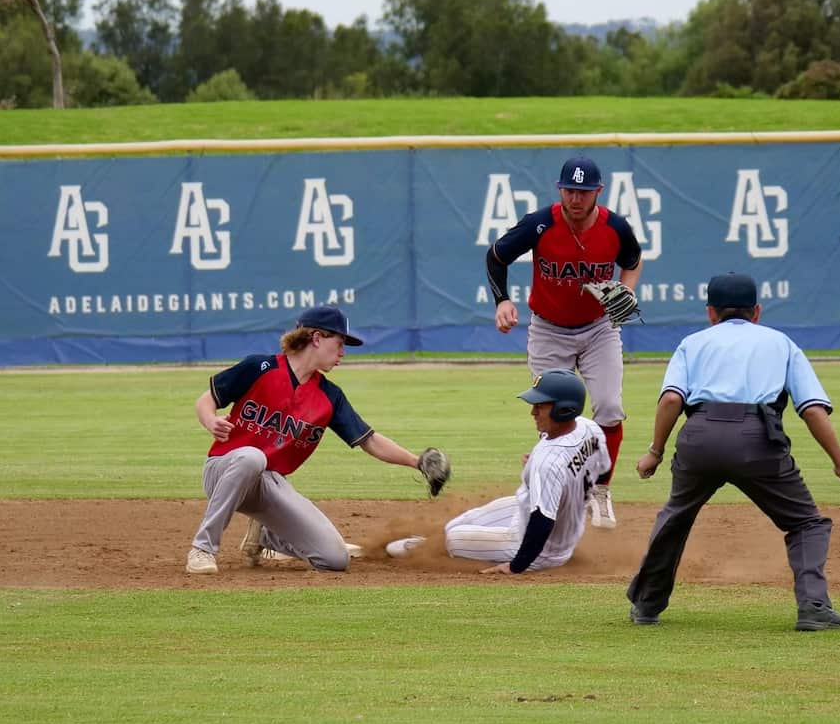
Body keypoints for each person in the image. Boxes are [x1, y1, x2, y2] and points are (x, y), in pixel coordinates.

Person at [628, 272, 840, 630]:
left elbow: (672, 399)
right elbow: (812, 409)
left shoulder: (693, 343)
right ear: (756, 311)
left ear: (710, 312)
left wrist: (655, 453)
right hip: (758, 439)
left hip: (699, 437)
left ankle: (646, 606)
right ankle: (814, 606)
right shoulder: (781, 343)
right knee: (806, 523)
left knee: (675, 518)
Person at [185, 305, 442, 575]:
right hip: (224, 469)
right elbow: (206, 400)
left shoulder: (329, 396)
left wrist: (418, 462)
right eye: (340, 343)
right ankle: (203, 548)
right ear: (316, 338)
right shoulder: (259, 367)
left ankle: (266, 537)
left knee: (334, 559)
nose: (343, 353)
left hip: (269, 484)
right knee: (252, 457)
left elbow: (370, 441)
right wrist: (210, 420)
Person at [485, 155, 642, 529]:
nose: (576, 198)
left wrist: (626, 288)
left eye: (584, 192)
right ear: (560, 190)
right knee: (551, 418)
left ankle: (599, 492)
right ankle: (549, 496)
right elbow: (495, 257)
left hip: (599, 328)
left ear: (597, 193)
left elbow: (633, 261)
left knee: (608, 407)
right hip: (548, 329)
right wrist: (502, 300)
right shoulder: (540, 224)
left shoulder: (615, 228)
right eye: (569, 190)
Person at [423, 369, 611, 574]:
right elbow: (602, 471)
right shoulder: (588, 427)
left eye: (540, 406)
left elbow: (542, 522)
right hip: (542, 517)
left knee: (452, 539)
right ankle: (428, 543)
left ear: (563, 410)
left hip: (541, 550)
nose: (533, 413)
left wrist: (516, 566)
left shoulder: (548, 462)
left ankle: (419, 548)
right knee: (455, 524)